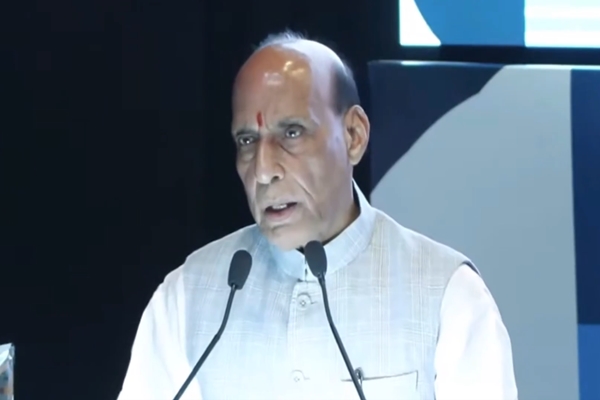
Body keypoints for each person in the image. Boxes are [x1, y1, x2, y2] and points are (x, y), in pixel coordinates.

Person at [117, 31, 518, 400]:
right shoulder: (188, 296)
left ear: (354, 136)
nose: (263, 170)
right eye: (247, 140)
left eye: (291, 133)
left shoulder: (447, 295)